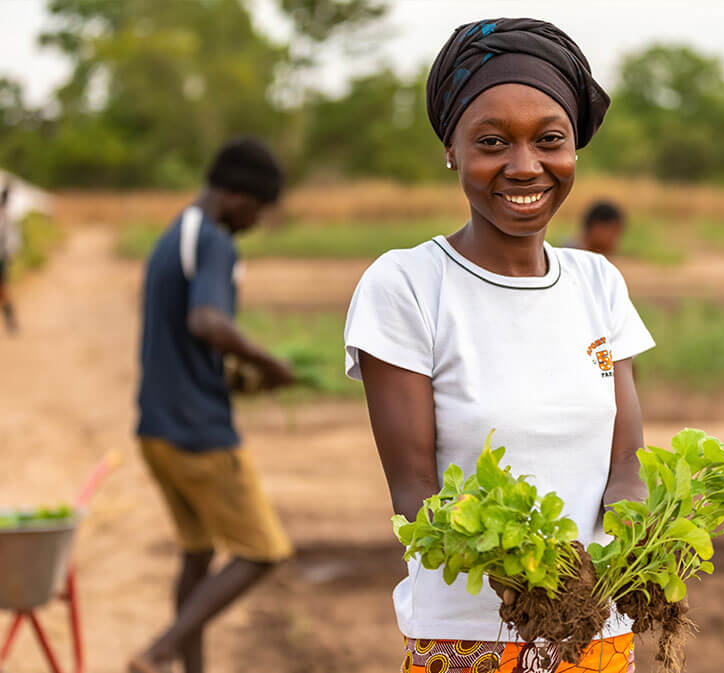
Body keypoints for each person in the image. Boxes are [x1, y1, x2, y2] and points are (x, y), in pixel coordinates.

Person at [344, 18, 653, 673]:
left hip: (600, 633)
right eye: (491, 142)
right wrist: (528, 573)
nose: (524, 166)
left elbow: (627, 460)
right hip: (469, 641)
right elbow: (416, 492)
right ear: (451, 150)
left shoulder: (598, 282)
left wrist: (638, 536)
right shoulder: (406, 286)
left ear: (574, 149)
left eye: (549, 140)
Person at [130, 138, 295, 673]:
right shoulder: (216, 242)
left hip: (156, 429)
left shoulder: (173, 235)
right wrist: (269, 364)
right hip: (197, 433)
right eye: (259, 207)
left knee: (198, 553)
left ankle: (186, 666)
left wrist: (238, 381)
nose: (258, 219)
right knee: (263, 550)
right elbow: (207, 322)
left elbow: (185, 341)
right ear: (237, 195)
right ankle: (160, 651)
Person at [0, 179, 19, 334]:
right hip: (3, 257)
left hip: (1, 258)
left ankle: (10, 321)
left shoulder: (5, 218)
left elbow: (12, 241)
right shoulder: (6, 217)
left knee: (3, 290)